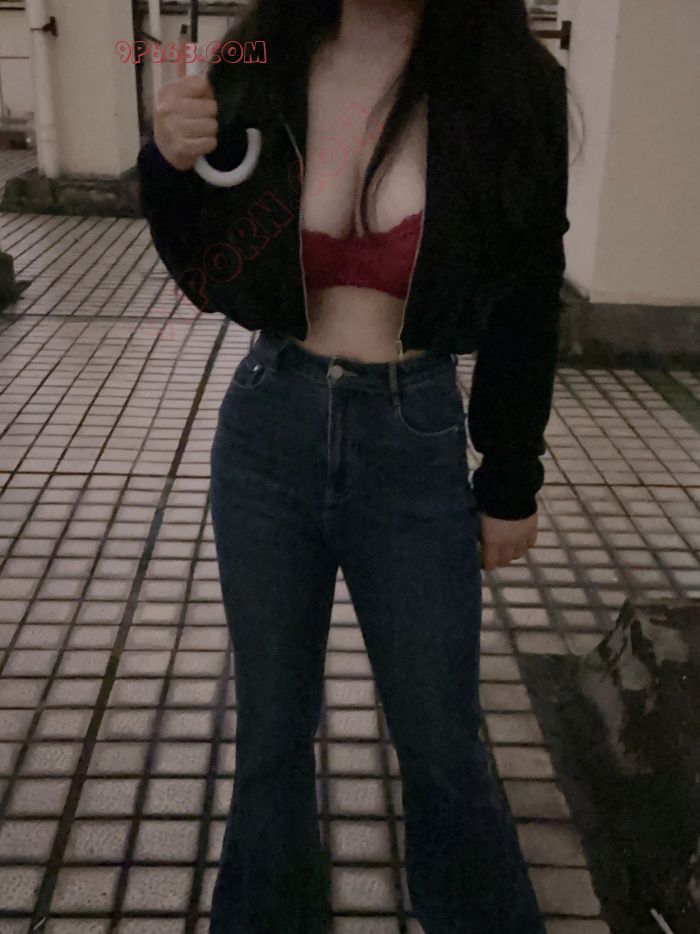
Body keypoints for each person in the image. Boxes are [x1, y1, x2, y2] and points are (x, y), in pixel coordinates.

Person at [137, 0, 573, 931]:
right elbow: (207, 270)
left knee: (442, 741)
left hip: (412, 437)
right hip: (269, 429)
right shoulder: (260, 60)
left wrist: (510, 477)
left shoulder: (511, 84)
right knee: (270, 741)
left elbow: (530, 292)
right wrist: (166, 164)